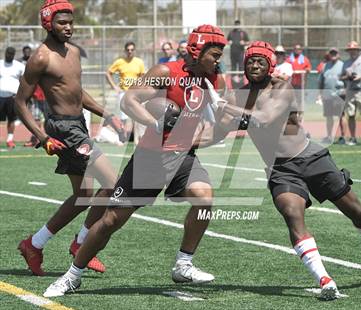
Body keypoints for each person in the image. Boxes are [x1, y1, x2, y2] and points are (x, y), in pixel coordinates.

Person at [43, 24, 228, 297]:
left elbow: (220, 128)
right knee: (110, 221)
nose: (218, 60)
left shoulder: (215, 80)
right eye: (214, 53)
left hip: (182, 156)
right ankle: (72, 275)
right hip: (151, 158)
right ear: (196, 51)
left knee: (204, 196)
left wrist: (218, 122)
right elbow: (129, 101)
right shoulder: (166, 72)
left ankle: (183, 263)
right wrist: (155, 123)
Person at [204, 41, 361, 301]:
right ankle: (325, 280)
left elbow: (265, 117)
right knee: (292, 214)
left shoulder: (281, 87)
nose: (254, 65)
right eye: (250, 61)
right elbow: (218, 132)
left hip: (311, 157)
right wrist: (178, 142)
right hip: (281, 169)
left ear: (270, 65)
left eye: (260, 61)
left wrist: (223, 105)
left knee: (356, 211)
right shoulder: (238, 96)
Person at [15, 0, 123, 276]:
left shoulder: (74, 52)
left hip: (79, 125)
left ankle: (34, 244)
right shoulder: (40, 57)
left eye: (71, 22)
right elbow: (20, 102)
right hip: (63, 130)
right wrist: (41, 136)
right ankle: (82, 243)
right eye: (62, 23)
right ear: (48, 24)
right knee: (112, 183)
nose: (68, 27)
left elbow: (75, 92)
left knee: (84, 195)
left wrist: (105, 113)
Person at [106, 41, 146, 142]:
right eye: (128, 50)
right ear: (125, 51)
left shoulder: (139, 62)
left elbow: (142, 76)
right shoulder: (120, 62)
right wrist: (114, 87)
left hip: (136, 93)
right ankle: (122, 137)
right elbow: (108, 73)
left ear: (134, 51)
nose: (130, 52)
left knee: (137, 116)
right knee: (123, 116)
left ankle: (136, 138)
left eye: (132, 50)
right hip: (123, 92)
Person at [340, 41, 361, 146]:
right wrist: (348, 77)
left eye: (354, 50)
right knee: (351, 115)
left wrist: (360, 77)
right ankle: (353, 137)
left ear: (358, 50)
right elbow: (341, 77)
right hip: (350, 91)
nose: (352, 52)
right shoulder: (346, 63)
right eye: (350, 50)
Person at [318, 47, 346, 144]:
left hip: (339, 94)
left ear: (338, 55)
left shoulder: (343, 65)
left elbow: (347, 79)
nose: (333, 55)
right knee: (329, 116)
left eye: (335, 53)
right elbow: (321, 81)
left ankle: (343, 136)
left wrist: (346, 90)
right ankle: (329, 136)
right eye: (331, 53)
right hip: (328, 95)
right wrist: (320, 93)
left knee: (341, 115)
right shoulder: (325, 66)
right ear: (329, 55)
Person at [0, 47, 25, 148]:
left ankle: (9, 140)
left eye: (11, 54)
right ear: (5, 53)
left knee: (11, 119)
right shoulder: (0, 64)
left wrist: (21, 95)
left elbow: (23, 82)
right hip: (0, 96)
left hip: (12, 97)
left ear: (14, 54)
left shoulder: (19, 66)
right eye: (8, 53)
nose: (9, 55)